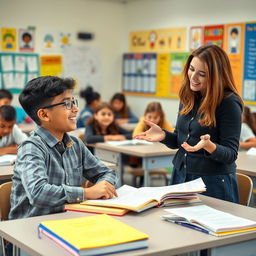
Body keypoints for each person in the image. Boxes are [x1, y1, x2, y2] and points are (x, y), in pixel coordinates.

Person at [134, 45, 243, 203]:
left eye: (202, 74)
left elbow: (231, 154)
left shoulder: (228, 102)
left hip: (212, 181)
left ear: (216, 76)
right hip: (181, 174)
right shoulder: (188, 96)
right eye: (191, 69)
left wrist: (209, 145)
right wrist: (164, 135)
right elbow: (180, 141)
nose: (193, 77)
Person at [9, 76, 117, 220]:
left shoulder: (75, 144)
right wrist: (87, 193)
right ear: (44, 114)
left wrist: (104, 186)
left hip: (68, 222)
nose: (75, 109)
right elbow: (38, 193)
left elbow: (106, 173)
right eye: (67, 104)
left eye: (74, 102)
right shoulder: (31, 148)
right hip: (32, 229)